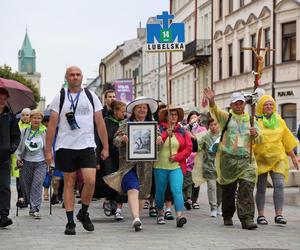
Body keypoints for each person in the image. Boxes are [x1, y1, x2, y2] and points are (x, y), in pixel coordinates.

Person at [46, 66, 109, 235]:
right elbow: (52, 125)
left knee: (90, 181)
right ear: (67, 77)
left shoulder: (91, 96)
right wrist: (47, 150)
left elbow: (100, 122)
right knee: (69, 183)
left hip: (87, 145)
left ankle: (83, 212)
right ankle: (70, 222)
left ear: (82, 77)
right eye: (71, 75)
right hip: (65, 146)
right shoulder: (59, 97)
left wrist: (106, 146)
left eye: (78, 74)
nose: (75, 77)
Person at [204, 87, 262, 230]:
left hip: (246, 161)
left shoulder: (251, 119)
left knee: (246, 189)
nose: (238, 106)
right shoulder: (226, 117)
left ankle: (247, 218)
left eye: (241, 103)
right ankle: (227, 215)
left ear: (244, 104)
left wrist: (256, 134)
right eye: (235, 103)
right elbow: (215, 111)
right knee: (228, 191)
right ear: (231, 104)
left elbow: (260, 139)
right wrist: (211, 100)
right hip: (228, 160)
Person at [104, 96, 162, 232]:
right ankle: (136, 218)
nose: (142, 110)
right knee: (132, 188)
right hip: (128, 164)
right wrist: (122, 139)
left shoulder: (153, 126)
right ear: (134, 110)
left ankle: (138, 217)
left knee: (142, 193)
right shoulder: (125, 124)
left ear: (148, 110)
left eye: (144, 108)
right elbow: (115, 140)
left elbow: (158, 146)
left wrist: (159, 141)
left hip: (146, 166)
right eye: (139, 107)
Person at [254, 95, 299, 225]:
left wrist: (293, 157)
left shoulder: (279, 120)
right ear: (261, 107)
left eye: (271, 104)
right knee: (261, 187)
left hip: (278, 157)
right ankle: (261, 215)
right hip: (261, 158)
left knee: (279, 185)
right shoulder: (256, 121)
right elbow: (251, 141)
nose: (269, 107)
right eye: (266, 104)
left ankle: (279, 214)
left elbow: (286, 140)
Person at [154, 105, 192, 227]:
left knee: (177, 190)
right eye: (171, 114)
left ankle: (179, 216)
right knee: (160, 191)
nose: (173, 117)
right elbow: (154, 144)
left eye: (175, 114)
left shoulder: (182, 131)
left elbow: (188, 148)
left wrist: (177, 157)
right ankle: (160, 212)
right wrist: (165, 134)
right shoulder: (158, 129)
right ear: (166, 116)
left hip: (176, 166)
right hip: (160, 166)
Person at [95, 100, 127, 220]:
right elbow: (99, 141)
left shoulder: (125, 123)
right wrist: (97, 159)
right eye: (122, 111)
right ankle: (108, 199)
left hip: (122, 157)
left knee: (121, 181)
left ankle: (118, 207)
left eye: (125, 111)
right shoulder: (106, 122)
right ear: (115, 111)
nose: (124, 114)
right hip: (108, 156)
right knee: (109, 178)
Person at [16, 109, 48, 219]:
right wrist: (18, 158)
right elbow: (19, 146)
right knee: (26, 185)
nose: (36, 120)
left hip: (41, 162)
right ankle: (30, 204)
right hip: (26, 162)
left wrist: (51, 162)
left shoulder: (45, 131)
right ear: (30, 119)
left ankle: (35, 208)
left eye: (39, 118)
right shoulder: (24, 131)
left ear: (41, 120)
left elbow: (49, 148)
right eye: (34, 118)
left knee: (37, 184)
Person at [0, 88, 20, 228]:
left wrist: (10, 148)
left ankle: (4, 216)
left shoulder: (10, 116)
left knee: (5, 187)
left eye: (4, 98)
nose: (2, 100)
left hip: (4, 157)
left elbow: (16, 136)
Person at [196, 118, 222, 217]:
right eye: (211, 124)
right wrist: (194, 141)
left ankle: (219, 205)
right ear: (208, 126)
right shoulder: (206, 136)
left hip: (221, 166)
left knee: (220, 188)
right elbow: (198, 147)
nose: (213, 126)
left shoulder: (223, 136)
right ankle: (213, 207)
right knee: (212, 187)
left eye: (215, 124)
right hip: (209, 166)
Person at [184, 111, 207, 210]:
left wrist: (194, 136)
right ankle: (188, 198)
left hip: (198, 159)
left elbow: (203, 142)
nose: (194, 120)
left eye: (195, 117)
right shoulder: (186, 129)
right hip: (188, 159)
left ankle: (194, 200)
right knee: (188, 181)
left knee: (196, 181)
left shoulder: (202, 129)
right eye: (191, 118)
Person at [14, 108, 31, 208]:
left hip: (29, 154)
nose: (25, 117)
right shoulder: (16, 125)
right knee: (18, 177)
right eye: (23, 115)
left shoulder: (32, 126)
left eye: (27, 115)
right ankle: (20, 198)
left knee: (27, 177)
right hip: (17, 154)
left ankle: (27, 197)